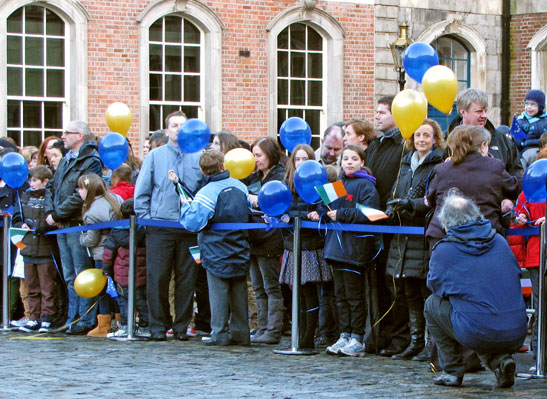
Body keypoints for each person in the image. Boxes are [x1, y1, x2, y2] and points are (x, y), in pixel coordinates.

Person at [425, 189, 527, 388]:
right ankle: (499, 362)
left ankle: (452, 371)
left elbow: (435, 286)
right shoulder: (499, 240)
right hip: (516, 330)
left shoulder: (445, 249)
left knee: (432, 305)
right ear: (476, 215)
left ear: (446, 224)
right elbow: (515, 273)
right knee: (475, 314)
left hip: (478, 329)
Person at [134, 110, 203, 341]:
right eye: (174, 125)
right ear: (166, 131)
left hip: (188, 229)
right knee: (157, 279)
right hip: (160, 227)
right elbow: (142, 191)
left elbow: (203, 191)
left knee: (187, 279)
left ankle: (182, 326)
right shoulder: (155, 156)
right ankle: (158, 326)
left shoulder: (199, 156)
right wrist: (147, 220)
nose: (179, 129)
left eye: (183, 125)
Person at [310, 144, 380, 357]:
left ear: (362, 162)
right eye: (346, 159)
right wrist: (320, 214)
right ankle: (344, 334)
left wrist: (343, 215)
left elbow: (372, 213)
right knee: (340, 295)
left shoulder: (366, 186)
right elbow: (324, 205)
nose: (349, 162)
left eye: (354, 159)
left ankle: (357, 337)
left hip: (355, 249)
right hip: (335, 248)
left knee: (354, 296)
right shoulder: (339, 184)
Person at [385, 119, 446, 361]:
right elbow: (396, 192)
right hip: (402, 236)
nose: (421, 139)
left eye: (426, 135)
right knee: (408, 291)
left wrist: (411, 205)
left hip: (422, 234)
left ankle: (429, 344)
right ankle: (414, 341)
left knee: (423, 292)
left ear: (435, 138)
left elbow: (433, 200)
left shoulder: (438, 164)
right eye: (418, 134)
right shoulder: (405, 163)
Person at [177, 150, 251, 346]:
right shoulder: (240, 186)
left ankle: (219, 332)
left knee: (218, 293)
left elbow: (193, 223)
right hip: (240, 246)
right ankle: (242, 332)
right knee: (239, 292)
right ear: (223, 166)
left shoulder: (206, 193)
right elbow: (250, 213)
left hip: (215, 248)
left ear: (203, 171)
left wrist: (185, 204)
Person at [45, 120, 102, 335]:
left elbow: (82, 195)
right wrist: (51, 213)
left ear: (80, 135)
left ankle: (85, 319)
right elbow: (52, 186)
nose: (63, 136)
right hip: (62, 224)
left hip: (77, 223)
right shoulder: (67, 160)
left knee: (82, 273)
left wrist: (58, 214)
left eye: (67, 132)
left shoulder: (91, 160)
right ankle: (72, 318)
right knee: (69, 275)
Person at [426, 125, 521, 246]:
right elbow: (515, 188)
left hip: (444, 238)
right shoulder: (494, 167)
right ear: (483, 146)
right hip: (483, 237)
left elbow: (430, 199)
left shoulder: (442, 169)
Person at [365, 95, 409, 356]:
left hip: (393, 222)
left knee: (395, 284)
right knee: (378, 283)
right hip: (370, 220)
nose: (377, 116)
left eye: (383, 112)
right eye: (377, 111)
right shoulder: (375, 146)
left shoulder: (403, 145)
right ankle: (379, 335)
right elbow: (363, 178)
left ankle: (399, 337)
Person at [279, 144, 332, 349]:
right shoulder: (286, 184)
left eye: (305, 159)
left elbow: (325, 209)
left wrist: (301, 216)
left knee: (310, 293)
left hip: (311, 246)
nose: (300, 163)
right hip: (293, 245)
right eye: (297, 159)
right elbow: (282, 208)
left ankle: (309, 337)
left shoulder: (321, 184)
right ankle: (299, 335)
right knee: (296, 295)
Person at [244, 137, 286, 344]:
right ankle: (261, 327)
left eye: (259, 155)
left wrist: (257, 201)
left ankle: (273, 328)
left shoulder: (280, 176)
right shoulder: (253, 177)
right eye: (253, 155)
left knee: (271, 286)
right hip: (253, 236)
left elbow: (278, 203)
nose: (255, 159)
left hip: (270, 237)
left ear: (270, 154)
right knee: (258, 287)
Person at [12, 166, 58, 333]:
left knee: (47, 286)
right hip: (27, 248)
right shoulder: (24, 197)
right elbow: (17, 216)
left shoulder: (50, 197)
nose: (32, 183)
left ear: (45, 181)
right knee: (32, 286)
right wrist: (20, 224)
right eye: (30, 180)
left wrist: (43, 226)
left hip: (45, 249)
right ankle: (33, 317)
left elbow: (53, 216)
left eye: (35, 180)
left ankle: (47, 317)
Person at [78, 173, 123, 337]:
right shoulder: (116, 199)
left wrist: (81, 238)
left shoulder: (92, 211)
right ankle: (120, 321)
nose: (79, 192)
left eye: (81, 188)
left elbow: (91, 239)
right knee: (118, 289)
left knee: (103, 290)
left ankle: (104, 324)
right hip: (119, 252)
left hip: (101, 254)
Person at [447, 88, 522, 178]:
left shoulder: (502, 141)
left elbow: (517, 174)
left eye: (485, 111)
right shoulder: (446, 141)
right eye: (479, 111)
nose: (484, 115)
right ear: (463, 112)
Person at [103, 198, 149, 338]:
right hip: (141, 272)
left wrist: (106, 268)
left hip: (122, 274)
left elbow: (108, 252)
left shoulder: (116, 231)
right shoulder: (145, 230)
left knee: (124, 301)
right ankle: (145, 326)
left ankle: (125, 325)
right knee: (141, 300)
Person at [517, 89, 547, 157]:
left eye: (533, 104)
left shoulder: (545, 120)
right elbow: (518, 143)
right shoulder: (520, 121)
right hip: (526, 153)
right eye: (526, 103)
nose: (529, 107)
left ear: (540, 106)